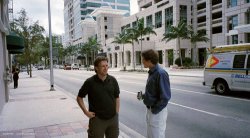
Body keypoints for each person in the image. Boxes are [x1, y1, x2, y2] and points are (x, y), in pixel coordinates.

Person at [77, 56, 120, 138]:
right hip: (97, 120)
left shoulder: (113, 80)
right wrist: (86, 112)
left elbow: (117, 97)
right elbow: (79, 98)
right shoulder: (90, 82)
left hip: (112, 119)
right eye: (103, 66)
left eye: (107, 65)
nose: (106, 68)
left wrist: (116, 113)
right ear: (96, 68)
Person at [137, 49, 171, 138]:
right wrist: (144, 96)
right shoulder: (152, 72)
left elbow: (165, 97)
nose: (142, 61)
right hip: (150, 111)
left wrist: (154, 110)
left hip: (157, 113)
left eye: (143, 59)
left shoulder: (161, 73)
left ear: (149, 61)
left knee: (157, 135)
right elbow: (153, 92)